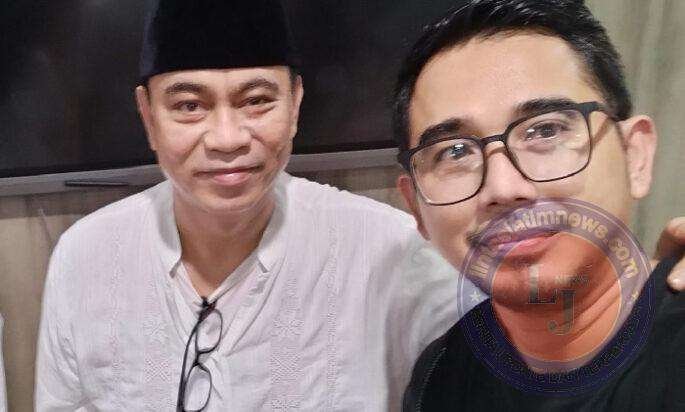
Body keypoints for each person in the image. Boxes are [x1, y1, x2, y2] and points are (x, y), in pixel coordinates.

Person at [34, 0, 685, 411]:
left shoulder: (392, 251)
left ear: (295, 105)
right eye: (187, 105)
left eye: (257, 99)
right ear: (147, 115)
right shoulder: (84, 256)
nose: (226, 137)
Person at [394, 0, 685, 410]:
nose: (503, 187)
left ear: (634, 156)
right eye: (455, 152)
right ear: (416, 208)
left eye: (545, 130)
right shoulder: (441, 375)